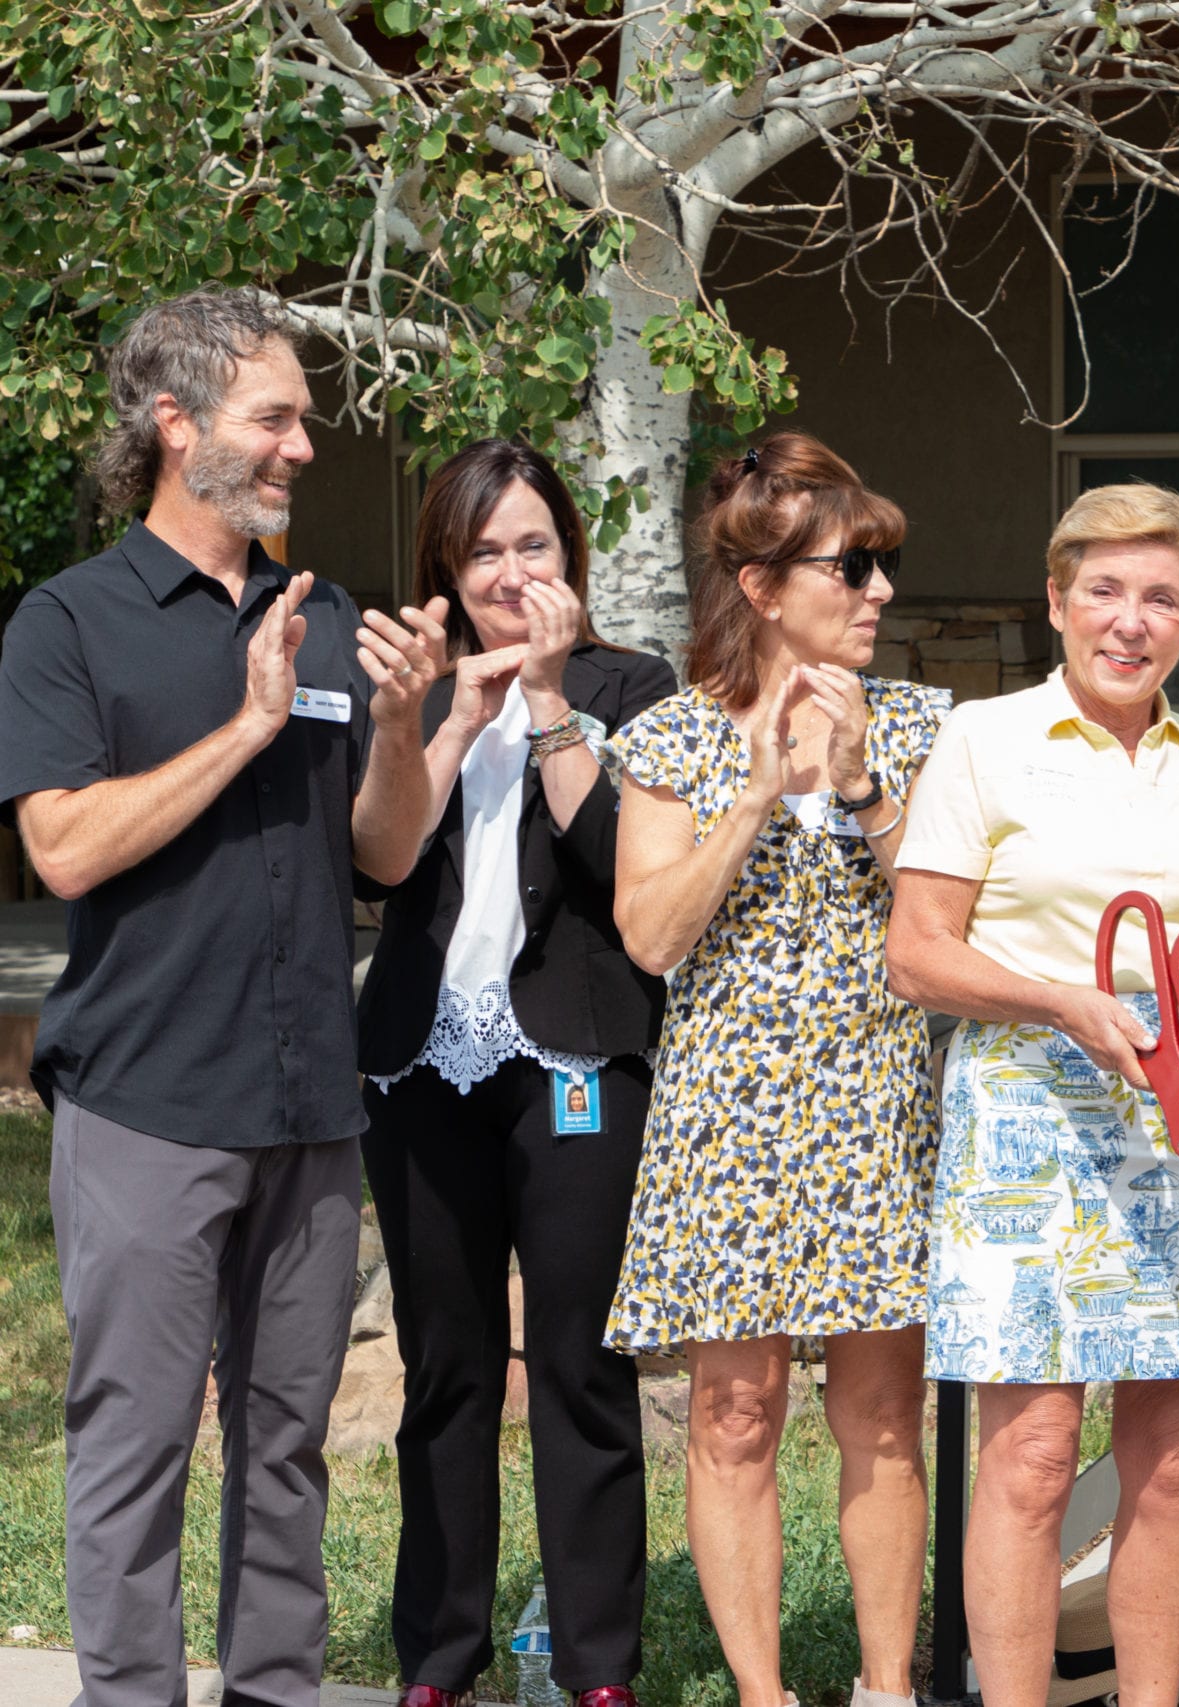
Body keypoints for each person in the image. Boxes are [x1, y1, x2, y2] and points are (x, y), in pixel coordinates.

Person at [0, 287, 447, 1707]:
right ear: (176, 424)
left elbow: (382, 852)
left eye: (303, 416)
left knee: (285, 1441)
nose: (305, 444)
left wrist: (393, 729)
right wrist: (247, 725)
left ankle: (273, 1691)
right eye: (277, 415)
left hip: (311, 1102)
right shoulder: (69, 622)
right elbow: (61, 841)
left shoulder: (326, 621)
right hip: (145, 1099)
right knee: (133, 1438)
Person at [884, 482, 1179, 1707]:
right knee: (1034, 1460)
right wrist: (1064, 1000)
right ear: (1056, 602)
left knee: (1172, 1465)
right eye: (1104, 590)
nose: (1131, 620)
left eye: (1161, 597)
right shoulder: (982, 740)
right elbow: (917, 950)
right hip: (1028, 1116)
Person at [605, 433, 946, 1707]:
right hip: (725, 1115)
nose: (879, 593)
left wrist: (860, 792)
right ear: (759, 586)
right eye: (851, 567)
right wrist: (752, 799)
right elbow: (649, 936)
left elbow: (942, 926)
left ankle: (886, 1687)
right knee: (734, 1413)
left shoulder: (919, 727)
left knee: (881, 1416)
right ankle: (760, 1695)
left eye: (882, 565)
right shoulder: (672, 741)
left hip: (874, 1103)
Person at [354, 440, 678, 1707]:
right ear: (446, 564)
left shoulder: (631, 684)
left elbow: (619, 869)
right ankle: (440, 1657)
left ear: (570, 560)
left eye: (531, 545)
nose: (507, 571)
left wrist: (547, 704)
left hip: (576, 1059)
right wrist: (456, 715)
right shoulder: (409, 691)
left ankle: (598, 1664)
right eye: (481, 549)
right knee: (446, 1366)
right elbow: (378, 866)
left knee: (579, 1364)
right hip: (424, 1060)